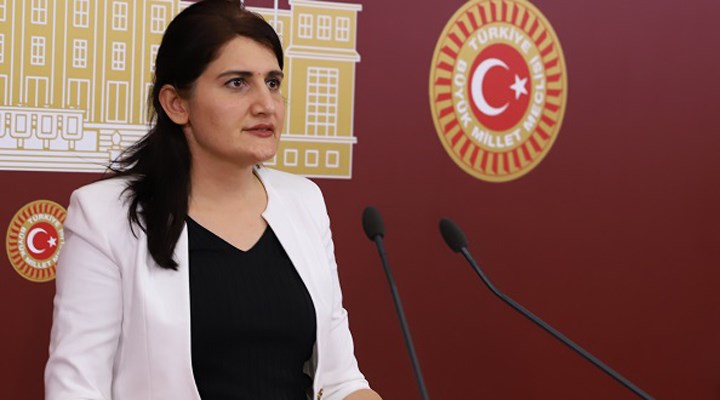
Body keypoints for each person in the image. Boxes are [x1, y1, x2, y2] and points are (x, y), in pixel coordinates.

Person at [44, 1, 382, 399]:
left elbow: (342, 380)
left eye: (273, 82)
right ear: (176, 104)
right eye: (237, 83)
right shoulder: (105, 216)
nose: (266, 104)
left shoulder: (304, 201)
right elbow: (76, 388)